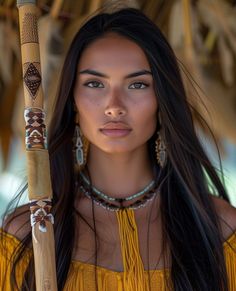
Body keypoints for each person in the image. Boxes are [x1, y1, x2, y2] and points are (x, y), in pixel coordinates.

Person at [1, 7, 236, 291]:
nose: (114, 106)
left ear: (162, 98)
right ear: (73, 99)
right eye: (95, 83)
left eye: (137, 84)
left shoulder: (221, 230)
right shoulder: (25, 236)